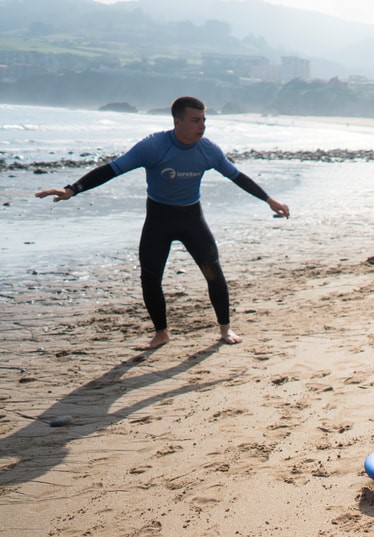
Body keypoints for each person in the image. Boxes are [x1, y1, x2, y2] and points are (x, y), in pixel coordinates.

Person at [35, 96, 289, 350]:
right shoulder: (153, 146)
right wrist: (73, 189)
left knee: (213, 271)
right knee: (150, 277)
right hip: (159, 218)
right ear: (177, 121)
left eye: (203, 120)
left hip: (192, 218)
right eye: (194, 120)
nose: (201, 126)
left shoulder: (208, 150)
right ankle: (161, 333)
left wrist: (269, 200)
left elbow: (238, 177)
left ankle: (225, 328)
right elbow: (111, 170)